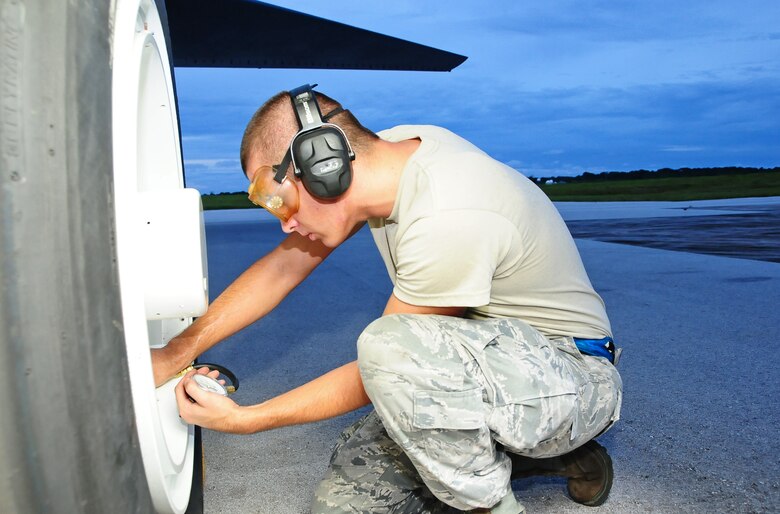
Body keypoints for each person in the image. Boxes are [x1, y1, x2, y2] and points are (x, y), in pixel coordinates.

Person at [152, 84, 623, 514]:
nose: (285, 223)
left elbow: (387, 365)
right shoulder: (387, 155)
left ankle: (517, 482)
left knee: (388, 346)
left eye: (282, 202)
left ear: (324, 167)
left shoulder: (450, 210)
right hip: (468, 363)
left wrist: (248, 421)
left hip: (570, 374)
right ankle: (539, 457)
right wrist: (180, 349)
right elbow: (282, 267)